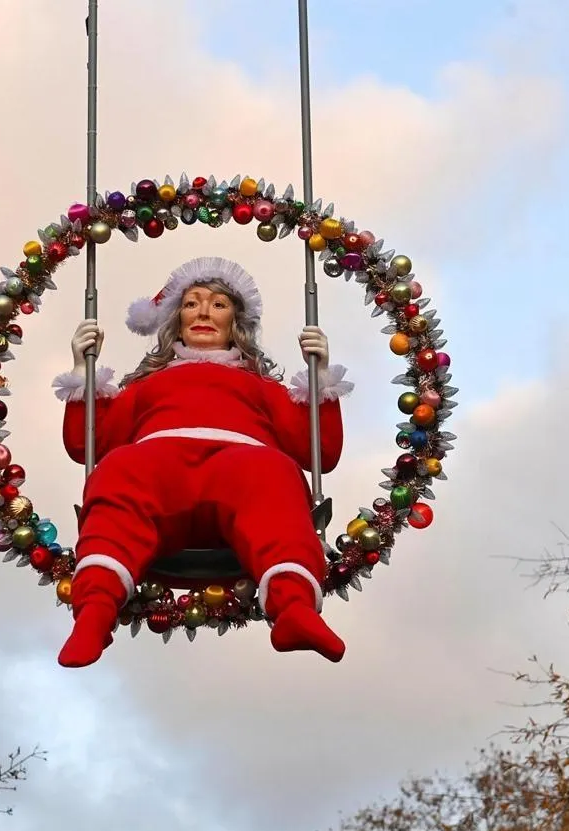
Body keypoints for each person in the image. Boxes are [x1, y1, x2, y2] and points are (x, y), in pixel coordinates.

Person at [50, 256, 354, 668]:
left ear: (236, 322)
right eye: (192, 303)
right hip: (159, 470)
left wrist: (320, 378)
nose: (204, 313)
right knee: (120, 469)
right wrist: (80, 369)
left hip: (242, 469)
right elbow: (86, 444)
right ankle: (95, 612)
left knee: (274, 473)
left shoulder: (261, 386)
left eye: (218, 304)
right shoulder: (148, 385)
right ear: (176, 320)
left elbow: (321, 452)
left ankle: (294, 609)